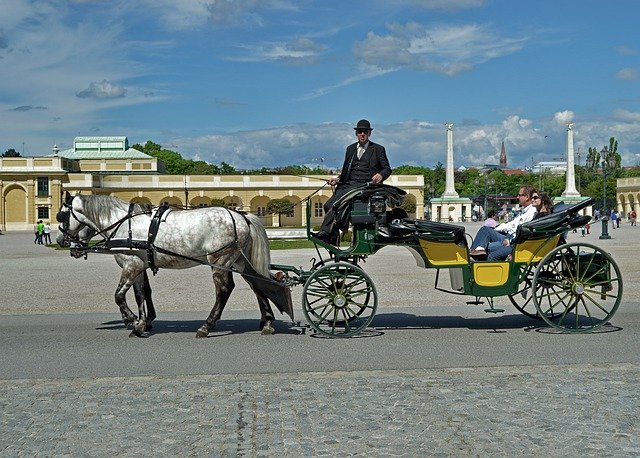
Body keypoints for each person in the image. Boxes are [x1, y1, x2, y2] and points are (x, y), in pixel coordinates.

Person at [312, 119, 392, 244]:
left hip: (367, 185)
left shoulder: (378, 149)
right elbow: (346, 170)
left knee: (337, 204)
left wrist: (381, 175)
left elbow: (387, 169)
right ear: (356, 133)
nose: (362, 134)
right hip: (349, 184)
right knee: (328, 205)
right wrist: (338, 180)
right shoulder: (350, 149)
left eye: (365, 132)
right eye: (360, 131)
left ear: (369, 133)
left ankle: (325, 233)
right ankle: (334, 236)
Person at [469, 185, 537, 261]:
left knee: (486, 248)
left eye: (520, 195)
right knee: (485, 230)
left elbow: (523, 232)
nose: (517, 197)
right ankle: (476, 251)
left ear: (527, 197)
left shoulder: (532, 212)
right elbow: (511, 224)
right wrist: (496, 228)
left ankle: (476, 256)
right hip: (508, 236)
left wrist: (510, 241)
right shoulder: (525, 210)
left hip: (513, 241)